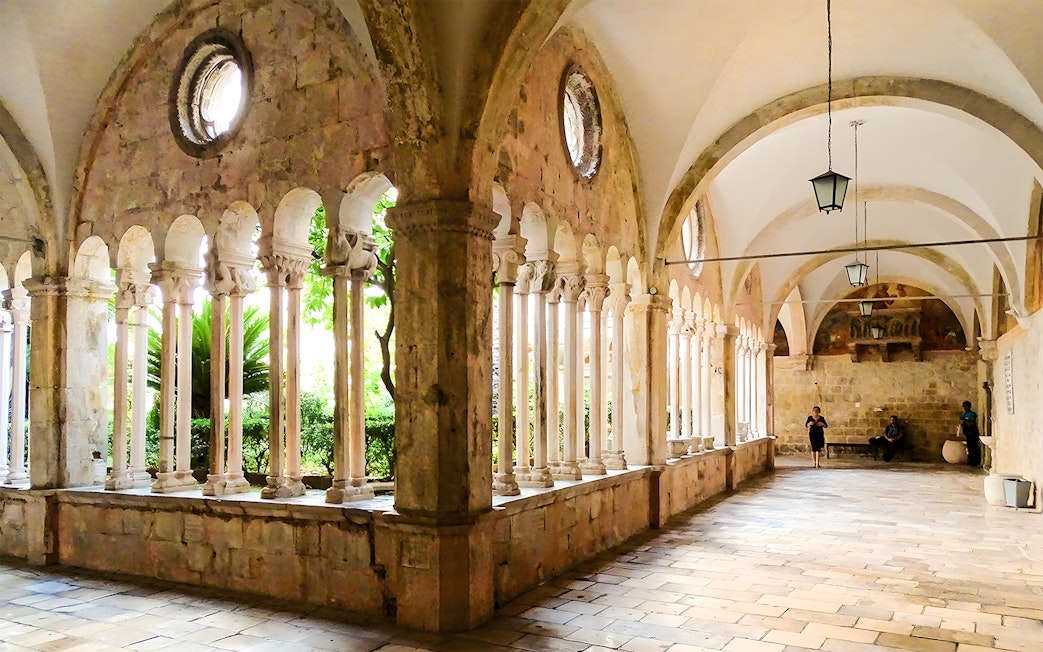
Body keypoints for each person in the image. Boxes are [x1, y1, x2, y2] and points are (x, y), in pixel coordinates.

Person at [960, 400, 981, 466]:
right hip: (968, 433)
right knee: (969, 447)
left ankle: (975, 461)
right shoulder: (965, 414)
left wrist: (965, 420)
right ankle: (970, 460)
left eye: (965, 407)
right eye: (964, 407)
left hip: (972, 432)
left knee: (973, 447)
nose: (964, 408)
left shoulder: (972, 414)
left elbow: (972, 422)